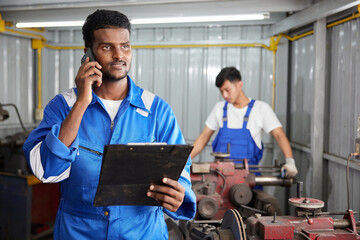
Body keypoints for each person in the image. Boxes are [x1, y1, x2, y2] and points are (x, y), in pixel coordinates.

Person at [23, 9, 196, 240]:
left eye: (125, 46)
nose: (118, 55)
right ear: (88, 54)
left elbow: (180, 167)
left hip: (142, 232)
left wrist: (180, 192)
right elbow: (45, 168)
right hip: (79, 232)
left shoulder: (156, 109)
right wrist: (82, 102)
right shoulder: (63, 106)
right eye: (106, 47)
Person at [191, 66, 297, 177]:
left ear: (239, 85)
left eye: (227, 90)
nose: (224, 95)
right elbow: (203, 138)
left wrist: (290, 161)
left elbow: (279, 135)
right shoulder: (219, 108)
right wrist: (185, 161)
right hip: (219, 178)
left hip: (249, 179)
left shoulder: (261, 109)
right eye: (221, 91)